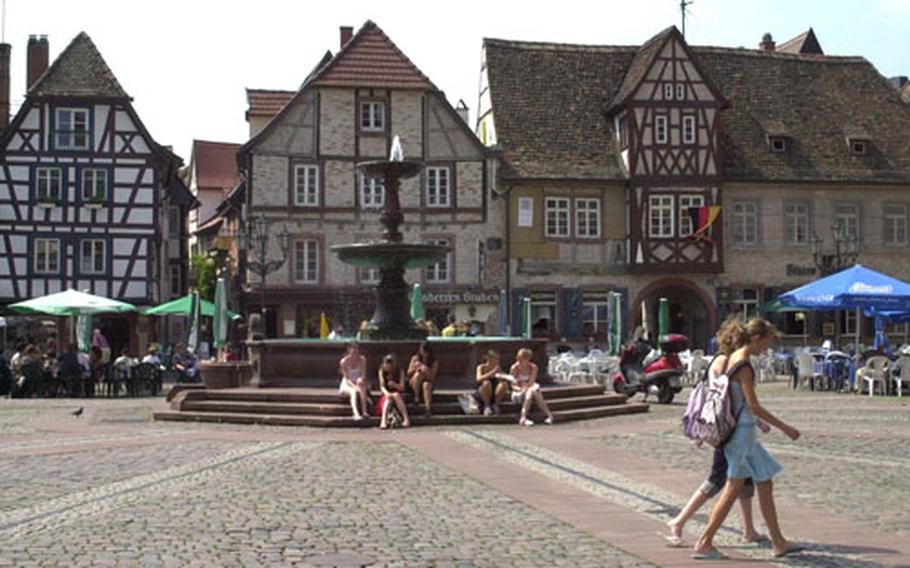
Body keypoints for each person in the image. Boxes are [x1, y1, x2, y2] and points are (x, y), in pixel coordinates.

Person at [692, 319, 802, 560]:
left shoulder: (735, 358)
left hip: (745, 433)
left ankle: (779, 542)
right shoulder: (743, 363)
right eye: (766, 341)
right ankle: (704, 542)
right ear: (755, 338)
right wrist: (785, 427)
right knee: (733, 487)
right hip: (741, 434)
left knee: (764, 480)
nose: (767, 347)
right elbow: (753, 405)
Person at [664, 316, 764, 547]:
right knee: (717, 479)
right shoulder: (723, 362)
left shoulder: (726, 359)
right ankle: (679, 521)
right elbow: (722, 397)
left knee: (746, 479)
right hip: (727, 430)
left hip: (734, 426)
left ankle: (749, 529)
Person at [509, 348, 554, 426]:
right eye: (518, 359)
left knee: (532, 392)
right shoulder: (514, 368)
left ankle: (523, 417)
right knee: (532, 393)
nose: (519, 361)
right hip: (518, 391)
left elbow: (531, 382)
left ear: (528, 359)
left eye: (522, 359)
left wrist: (526, 388)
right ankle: (549, 415)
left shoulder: (533, 367)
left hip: (529, 388)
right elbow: (513, 385)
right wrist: (520, 389)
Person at [339, 342, 370, 420]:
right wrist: (355, 387)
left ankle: (364, 411)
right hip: (348, 383)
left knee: (361, 384)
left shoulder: (362, 359)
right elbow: (346, 379)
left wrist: (361, 379)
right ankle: (355, 413)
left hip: (358, 382)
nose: (355, 352)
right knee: (354, 391)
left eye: (356, 350)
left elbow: (363, 374)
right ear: (349, 350)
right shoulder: (344, 362)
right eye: (353, 350)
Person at [378, 354, 410, 429]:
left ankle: (406, 419)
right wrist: (387, 393)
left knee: (396, 395)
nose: (388, 367)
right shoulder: (381, 371)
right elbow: (382, 386)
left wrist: (395, 385)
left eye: (390, 364)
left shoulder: (399, 371)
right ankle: (383, 420)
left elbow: (402, 387)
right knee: (389, 398)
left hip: (398, 394)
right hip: (386, 395)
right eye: (386, 364)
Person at [408, 341, 439, 418]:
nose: (423, 354)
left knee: (426, 384)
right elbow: (408, 373)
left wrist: (427, 370)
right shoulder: (415, 358)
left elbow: (432, 378)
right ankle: (416, 398)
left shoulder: (434, 362)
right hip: (414, 383)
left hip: (427, 383)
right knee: (418, 375)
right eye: (422, 351)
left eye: (425, 352)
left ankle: (428, 408)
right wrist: (415, 368)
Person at [475, 350, 509, 416]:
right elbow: (478, 379)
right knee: (487, 383)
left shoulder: (498, 367)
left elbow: (500, 378)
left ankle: (496, 405)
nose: (497, 361)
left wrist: (502, 376)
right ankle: (487, 406)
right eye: (495, 359)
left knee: (504, 385)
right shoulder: (481, 367)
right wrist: (492, 373)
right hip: (483, 391)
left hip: (494, 390)